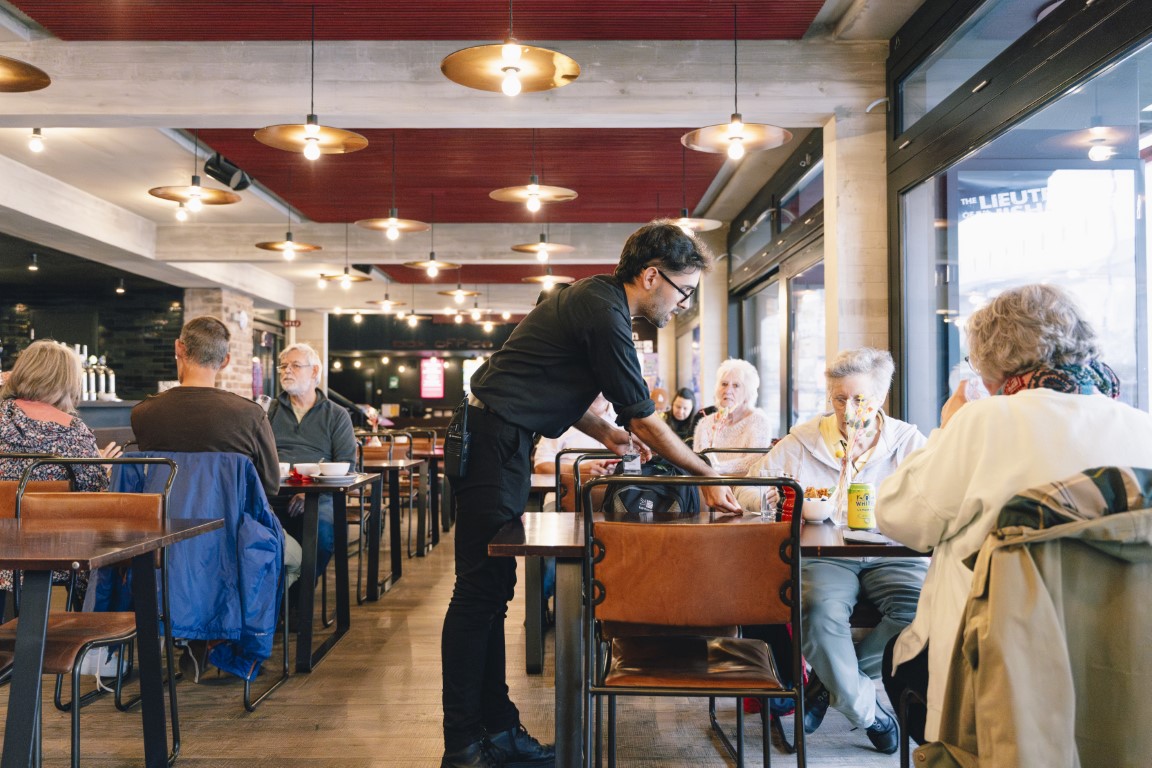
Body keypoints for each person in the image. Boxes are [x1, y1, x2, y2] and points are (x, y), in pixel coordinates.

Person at [440, 220, 742, 768]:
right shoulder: (606, 313)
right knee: (478, 594)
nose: (684, 303)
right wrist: (708, 475)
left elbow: (547, 382)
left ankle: (496, 727)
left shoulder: (591, 300)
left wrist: (605, 433)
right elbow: (646, 418)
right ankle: (464, 742)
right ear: (652, 276)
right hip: (494, 442)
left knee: (491, 592)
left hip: (497, 437)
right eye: (684, 290)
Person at [876, 284, 1152, 745]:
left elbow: (900, 518)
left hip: (992, 669)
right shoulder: (1142, 428)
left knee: (898, 662)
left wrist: (947, 428)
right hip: (1122, 670)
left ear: (993, 360)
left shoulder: (984, 422)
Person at [736, 347, 927, 754]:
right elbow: (746, 490)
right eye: (838, 398)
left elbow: (933, 500)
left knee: (920, 610)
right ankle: (869, 713)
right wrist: (775, 499)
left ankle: (824, 687)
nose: (846, 409)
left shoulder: (907, 442)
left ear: (880, 399)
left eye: (858, 399)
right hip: (827, 556)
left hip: (893, 552)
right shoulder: (804, 440)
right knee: (818, 610)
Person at [131, 315, 302, 679]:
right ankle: (227, 637)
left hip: (163, 546)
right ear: (225, 361)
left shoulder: (144, 415)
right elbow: (270, 485)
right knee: (293, 557)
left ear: (179, 349)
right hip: (232, 547)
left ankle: (193, 634)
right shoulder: (249, 415)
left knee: (193, 565)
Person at [0, 340, 120, 603]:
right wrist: (102, 468)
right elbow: (92, 497)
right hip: (54, 560)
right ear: (67, 382)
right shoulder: (72, 432)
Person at [266, 342, 357, 577]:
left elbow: (348, 465)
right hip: (273, 494)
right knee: (248, 532)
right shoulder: (269, 411)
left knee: (321, 536)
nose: (287, 371)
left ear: (315, 371)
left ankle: (297, 604)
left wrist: (311, 494)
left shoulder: (336, 415)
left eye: (295, 365)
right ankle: (274, 601)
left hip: (320, 496)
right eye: (283, 366)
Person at [692, 358, 774, 474]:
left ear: (748, 393)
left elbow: (755, 461)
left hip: (744, 487)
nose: (728, 390)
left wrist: (718, 469)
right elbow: (698, 462)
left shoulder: (759, 421)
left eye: (736, 385)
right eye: (724, 384)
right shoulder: (705, 423)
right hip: (708, 486)